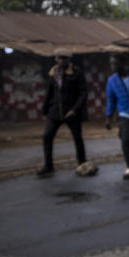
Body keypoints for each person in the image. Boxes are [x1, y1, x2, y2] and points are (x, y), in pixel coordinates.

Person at [37, 47, 88, 177]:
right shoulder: (53, 73)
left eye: (64, 58)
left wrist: (74, 109)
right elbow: (49, 93)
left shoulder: (76, 73)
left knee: (78, 138)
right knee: (47, 136)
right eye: (59, 58)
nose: (61, 60)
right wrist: (44, 110)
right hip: (55, 112)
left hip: (71, 112)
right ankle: (48, 166)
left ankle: (82, 163)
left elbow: (83, 93)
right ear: (55, 59)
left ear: (69, 59)